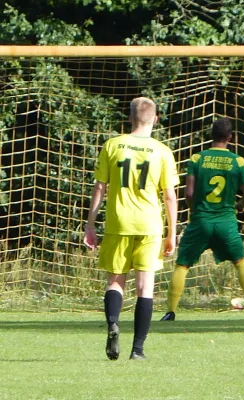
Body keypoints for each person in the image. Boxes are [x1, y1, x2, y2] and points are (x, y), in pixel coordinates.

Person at [84, 97, 179, 360]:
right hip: (149, 224)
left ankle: (113, 322)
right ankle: (138, 350)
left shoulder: (113, 145)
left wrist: (90, 225)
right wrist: (172, 232)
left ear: (129, 119)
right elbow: (170, 195)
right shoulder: (162, 151)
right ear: (155, 120)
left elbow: (100, 187)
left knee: (115, 282)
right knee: (145, 288)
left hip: (118, 221)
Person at [160, 117, 244, 321]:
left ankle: (170, 312)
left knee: (182, 265)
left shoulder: (197, 159)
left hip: (201, 220)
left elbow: (188, 192)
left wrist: (195, 211)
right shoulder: (237, 161)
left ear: (211, 135)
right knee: (240, 262)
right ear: (230, 137)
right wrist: (237, 208)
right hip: (226, 222)